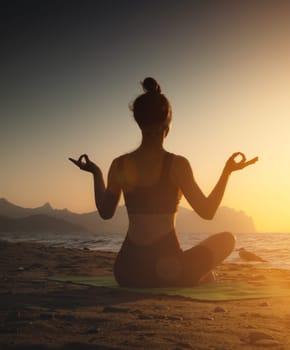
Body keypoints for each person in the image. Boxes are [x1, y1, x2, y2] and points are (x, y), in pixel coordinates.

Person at [69, 77, 257, 287]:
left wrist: (96, 173)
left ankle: (194, 274)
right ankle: (195, 275)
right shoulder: (178, 165)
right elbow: (207, 211)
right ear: (168, 120)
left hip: (126, 272)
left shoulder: (120, 164)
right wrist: (227, 172)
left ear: (138, 122)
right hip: (167, 272)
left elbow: (105, 213)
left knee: (193, 268)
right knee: (228, 239)